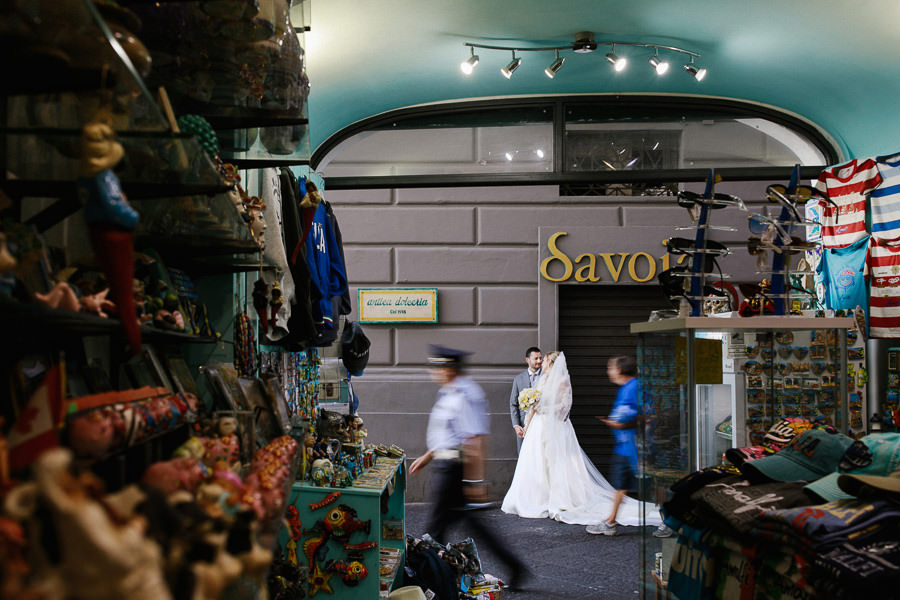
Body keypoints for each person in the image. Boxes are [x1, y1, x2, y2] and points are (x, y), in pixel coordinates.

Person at [409, 345, 530, 590]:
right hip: (446, 465)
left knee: (435, 529)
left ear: (449, 369)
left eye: (438, 367)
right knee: (465, 526)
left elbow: (474, 440)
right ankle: (514, 567)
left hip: (454, 470)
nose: (435, 372)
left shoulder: (465, 394)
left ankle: (428, 576)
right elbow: (448, 434)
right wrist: (427, 456)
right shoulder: (450, 391)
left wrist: (476, 482)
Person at [502, 351, 662, 530]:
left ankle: (645, 516)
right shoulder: (542, 379)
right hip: (539, 428)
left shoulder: (564, 381)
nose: (542, 363)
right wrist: (528, 422)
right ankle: (539, 498)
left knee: (638, 481)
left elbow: (564, 407)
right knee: (536, 463)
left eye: (545, 360)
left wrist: (543, 407)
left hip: (561, 428)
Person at [586, 355, 651, 536]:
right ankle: (611, 521)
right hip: (627, 445)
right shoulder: (629, 387)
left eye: (611, 368)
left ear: (620, 370)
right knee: (623, 484)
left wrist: (615, 423)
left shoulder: (632, 388)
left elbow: (633, 415)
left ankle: (668, 521)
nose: (609, 371)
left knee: (644, 483)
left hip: (631, 445)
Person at [509, 346, 542, 454]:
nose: (539, 361)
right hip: (524, 427)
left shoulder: (546, 377)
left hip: (542, 424)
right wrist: (516, 425)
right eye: (536, 358)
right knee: (524, 457)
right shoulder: (518, 379)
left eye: (540, 358)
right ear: (527, 360)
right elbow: (513, 404)